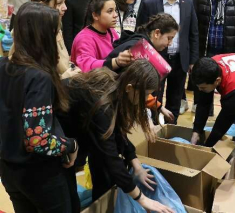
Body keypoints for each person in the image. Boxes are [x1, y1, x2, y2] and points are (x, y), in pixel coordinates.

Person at [59, 60, 174, 213]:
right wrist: (141, 199)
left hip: (73, 131)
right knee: (66, 202)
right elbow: (110, 155)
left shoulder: (117, 86)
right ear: (130, 88)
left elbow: (118, 132)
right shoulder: (103, 105)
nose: (147, 99)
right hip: (56, 134)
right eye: (145, 94)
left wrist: (136, 165)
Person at [0, 2, 78, 213]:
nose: (59, 38)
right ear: (43, 36)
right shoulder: (38, 78)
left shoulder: (3, 66)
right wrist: (70, 146)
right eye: (56, 33)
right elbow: (37, 139)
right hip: (39, 175)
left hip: (9, 169)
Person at [137, 0, 199, 125]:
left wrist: (193, 60)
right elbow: (141, 33)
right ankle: (154, 128)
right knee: (153, 97)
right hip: (156, 60)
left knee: (175, 98)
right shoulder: (150, 4)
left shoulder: (188, 3)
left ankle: (171, 129)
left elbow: (193, 33)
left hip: (180, 59)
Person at [14, 0, 81, 79]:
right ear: (42, 5)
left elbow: (61, 64)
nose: (65, 7)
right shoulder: (30, 33)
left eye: (64, 2)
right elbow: (32, 80)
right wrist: (64, 77)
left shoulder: (56, 27)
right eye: (59, 3)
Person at [71, 0, 131, 73]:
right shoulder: (84, 38)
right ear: (95, 15)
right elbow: (86, 66)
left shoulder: (110, 31)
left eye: (115, 10)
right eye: (110, 11)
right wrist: (116, 62)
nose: (115, 15)